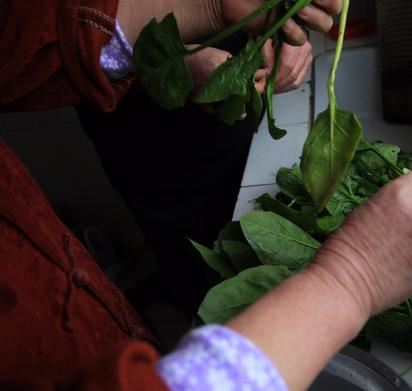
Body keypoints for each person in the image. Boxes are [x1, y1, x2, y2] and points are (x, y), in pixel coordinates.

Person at [0, 1, 412, 391]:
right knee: (191, 257)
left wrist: (235, 17)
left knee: (235, 230)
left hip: (229, 111)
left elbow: (22, 28)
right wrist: (351, 279)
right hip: (151, 144)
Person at [74, 34, 314, 319]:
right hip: (154, 147)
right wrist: (169, 63)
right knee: (194, 265)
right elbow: (64, 32)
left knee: (256, 234)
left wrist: (289, 30)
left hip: (243, 103)